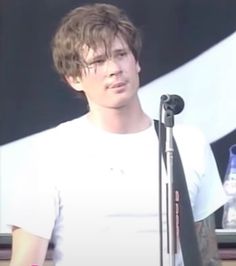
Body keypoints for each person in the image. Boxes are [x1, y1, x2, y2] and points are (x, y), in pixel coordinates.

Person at [8, 3, 226, 266]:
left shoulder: (187, 143)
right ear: (74, 78)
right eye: (98, 61)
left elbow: (206, 256)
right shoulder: (51, 150)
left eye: (121, 54)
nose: (114, 68)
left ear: (136, 62)